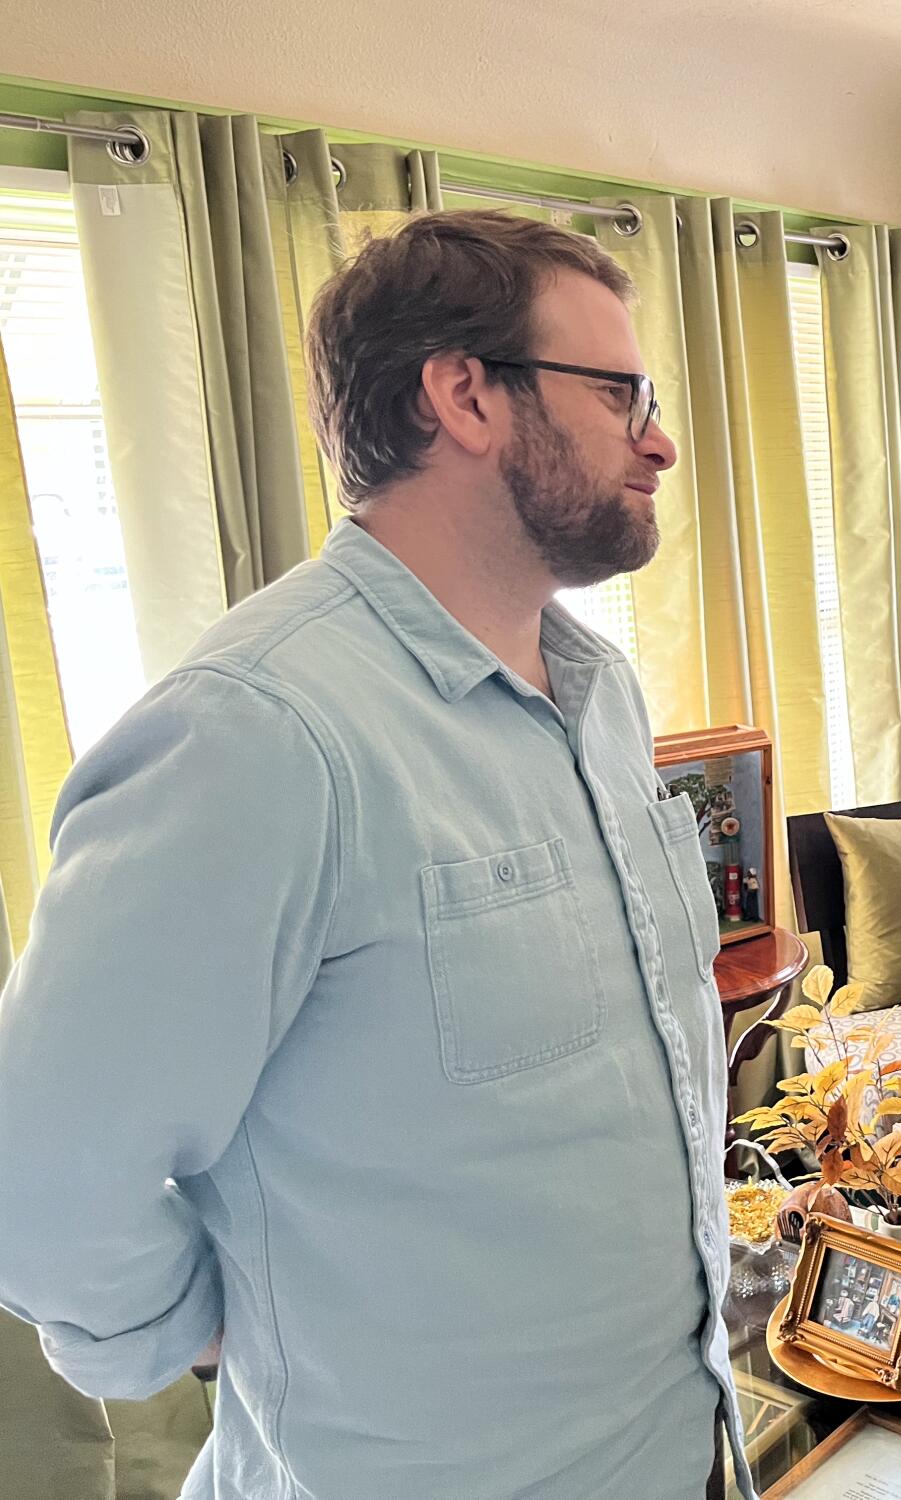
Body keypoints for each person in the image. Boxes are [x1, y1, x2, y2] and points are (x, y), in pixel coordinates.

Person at [0, 211, 747, 1499]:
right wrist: (211, 1331)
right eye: (621, 392)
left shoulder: (604, 695)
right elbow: (41, 1180)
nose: (659, 437)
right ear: (464, 394)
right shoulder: (257, 737)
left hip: (674, 1450)